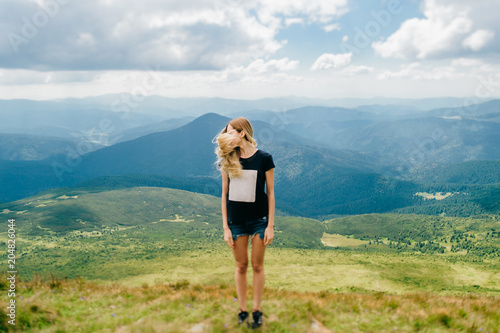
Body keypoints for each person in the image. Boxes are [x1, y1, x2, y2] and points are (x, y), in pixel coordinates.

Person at [213, 117, 275, 329]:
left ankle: (257, 309)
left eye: (231, 132)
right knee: (241, 266)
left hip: (259, 221)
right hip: (236, 223)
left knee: (257, 266)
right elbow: (224, 194)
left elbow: (271, 193)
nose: (227, 136)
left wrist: (270, 225)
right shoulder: (227, 159)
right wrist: (225, 228)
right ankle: (242, 309)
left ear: (242, 133)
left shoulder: (264, 159)